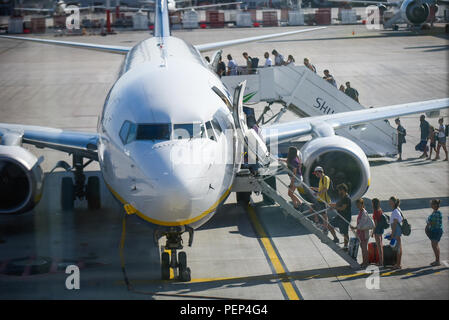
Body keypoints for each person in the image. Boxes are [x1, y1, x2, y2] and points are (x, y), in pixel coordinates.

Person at [310, 166, 339, 243]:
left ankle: (325, 228)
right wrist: (314, 189)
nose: (315, 175)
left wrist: (318, 193)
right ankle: (318, 223)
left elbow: (326, 188)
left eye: (316, 173)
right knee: (312, 208)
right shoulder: (321, 180)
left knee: (324, 215)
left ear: (319, 172)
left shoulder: (325, 178)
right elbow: (321, 189)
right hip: (320, 199)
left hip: (324, 200)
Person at [329, 183, 351, 250]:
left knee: (345, 233)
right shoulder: (342, 197)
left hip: (345, 218)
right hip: (339, 216)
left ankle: (346, 246)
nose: (338, 192)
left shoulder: (347, 198)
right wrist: (330, 205)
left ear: (343, 190)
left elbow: (343, 208)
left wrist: (334, 208)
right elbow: (337, 204)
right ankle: (335, 238)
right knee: (329, 225)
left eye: (339, 190)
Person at [350, 199, 371, 268]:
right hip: (361, 233)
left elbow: (362, 223)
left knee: (364, 248)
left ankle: (366, 262)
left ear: (362, 204)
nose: (358, 206)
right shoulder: (360, 211)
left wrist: (355, 227)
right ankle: (364, 261)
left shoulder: (364, 212)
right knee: (363, 248)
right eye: (357, 205)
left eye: (359, 204)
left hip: (364, 233)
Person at [426, 199, 443, 266]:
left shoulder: (437, 213)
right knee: (435, 246)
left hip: (436, 231)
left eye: (432, 204)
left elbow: (432, 222)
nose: (431, 205)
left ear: (435, 205)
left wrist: (427, 226)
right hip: (435, 230)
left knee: (434, 245)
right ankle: (437, 260)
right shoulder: (435, 212)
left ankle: (437, 261)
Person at [389, 196, 403, 269]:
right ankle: (398, 263)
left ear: (394, 202)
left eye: (391, 202)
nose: (389, 203)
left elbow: (394, 224)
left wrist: (392, 233)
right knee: (398, 247)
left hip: (396, 231)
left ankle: (398, 264)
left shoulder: (395, 211)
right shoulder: (398, 209)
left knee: (398, 248)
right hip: (398, 231)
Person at [371, 198, 384, 266]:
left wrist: (372, 232)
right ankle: (381, 261)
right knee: (380, 245)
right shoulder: (380, 210)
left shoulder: (375, 211)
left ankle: (381, 262)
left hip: (377, 230)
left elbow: (375, 224)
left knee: (379, 247)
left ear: (374, 204)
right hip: (381, 229)